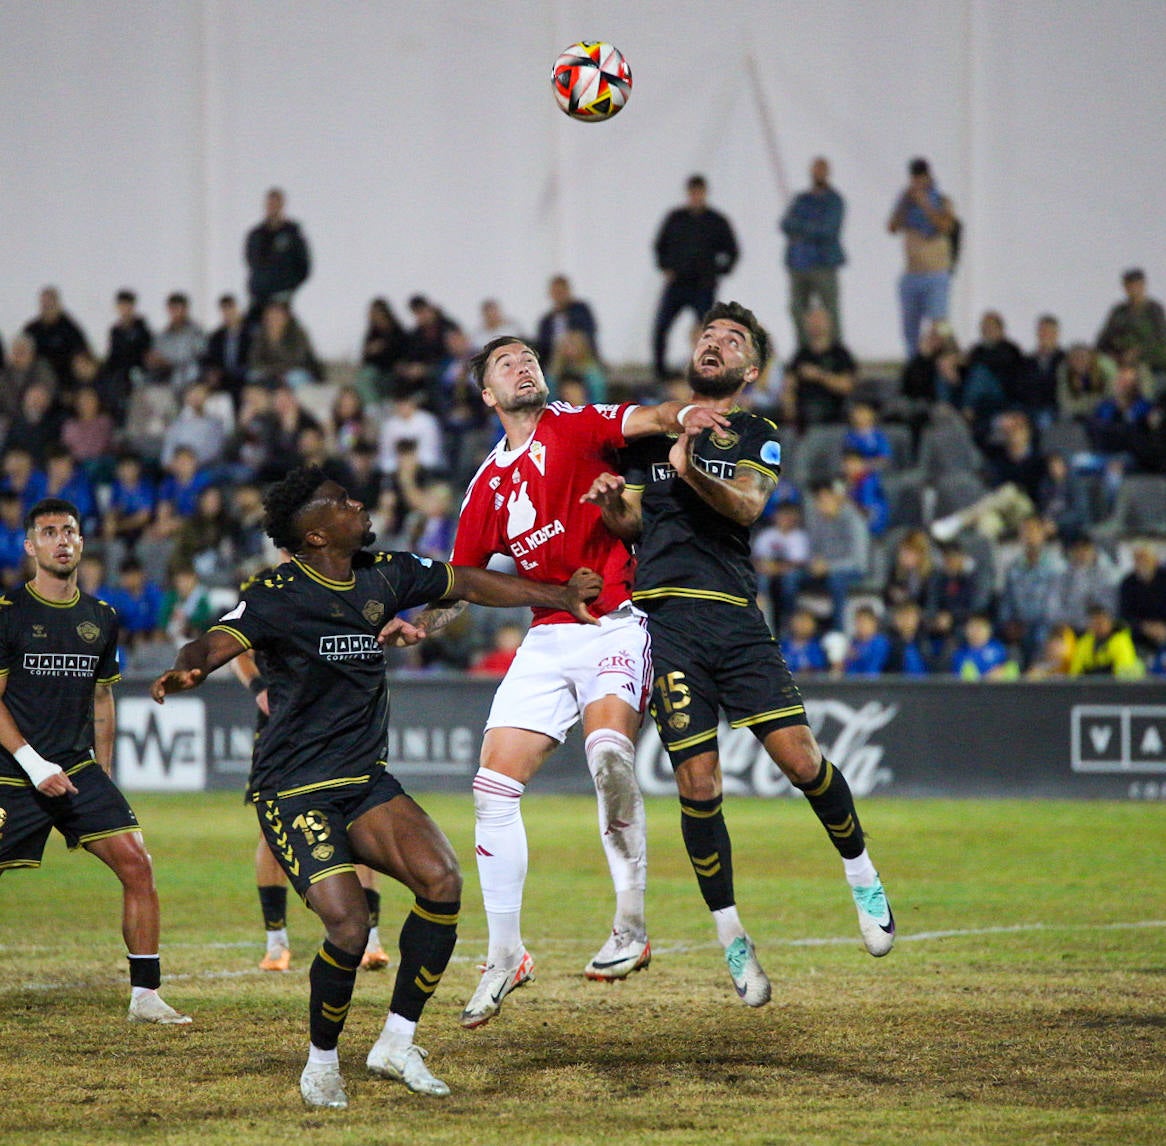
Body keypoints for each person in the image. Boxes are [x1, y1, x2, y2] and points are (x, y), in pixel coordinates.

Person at [150, 464, 602, 1107]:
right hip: (294, 786)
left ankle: (396, 1040)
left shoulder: (383, 572)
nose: (357, 504)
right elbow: (219, 638)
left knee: (442, 882)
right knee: (348, 926)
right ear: (312, 536)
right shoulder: (278, 592)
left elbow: (466, 580)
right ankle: (321, 1063)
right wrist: (188, 668)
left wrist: (556, 595)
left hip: (364, 779)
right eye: (339, 502)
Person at [585, 301, 895, 1010]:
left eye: (730, 340)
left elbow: (747, 507)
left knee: (801, 762)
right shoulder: (651, 435)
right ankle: (733, 940)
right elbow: (633, 521)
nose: (713, 343)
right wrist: (611, 505)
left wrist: (688, 466)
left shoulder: (755, 432)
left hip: (733, 619)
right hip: (665, 624)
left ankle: (861, 873)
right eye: (706, 335)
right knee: (698, 788)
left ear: (749, 370)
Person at [413, 335, 728, 1029]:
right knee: (491, 789)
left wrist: (689, 416)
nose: (523, 364)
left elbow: (648, 417)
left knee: (609, 753)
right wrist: (421, 625)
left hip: (617, 621)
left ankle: (631, 924)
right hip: (549, 635)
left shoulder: (576, 422)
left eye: (527, 356)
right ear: (489, 395)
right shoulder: (488, 482)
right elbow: (465, 580)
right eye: (506, 363)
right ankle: (504, 956)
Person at [0, 498, 190, 1024]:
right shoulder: (8, 614)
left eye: (70, 531)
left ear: (82, 542)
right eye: (49, 532)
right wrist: (32, 763)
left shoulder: (100, 618)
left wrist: (102, 774)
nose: (62, 540)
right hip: (12, 771)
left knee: (138, 865)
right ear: (31, 546)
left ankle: (146, 996)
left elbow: (102, 701)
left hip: (76, 770)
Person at [228, 640, 391, 973]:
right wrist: (260, 689)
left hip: (341, 725)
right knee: (272, 831)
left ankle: (370, 940)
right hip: (283, 727)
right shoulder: (272, 593)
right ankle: (276, 943)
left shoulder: (348, 597)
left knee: (357, 824)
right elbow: (237, 651)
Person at [652, 175, 739, 378]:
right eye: (693, 193)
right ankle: (660, 371)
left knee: (708, 332)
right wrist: (666, 267)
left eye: (699, 193)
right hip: (678, 284)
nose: (696, 197)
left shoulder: (716, 221)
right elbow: (660, 246)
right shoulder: (676, 218)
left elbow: (732, 251)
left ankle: (708, 369)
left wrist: (719, 271)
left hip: (703, 286)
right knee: (661, 326)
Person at [887, 158, 957, 359]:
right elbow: (892, 227)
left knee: (940, 322)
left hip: (936, 274)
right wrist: (904, 203)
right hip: (912, 274)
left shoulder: (942, 200)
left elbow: (945, 226)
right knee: (910, 328)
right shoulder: (906, 201)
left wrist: (925, 204)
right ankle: (913, 363)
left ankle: (949, 355)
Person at [779, 157, 846, 346]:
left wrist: (801, 228)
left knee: (830, 309)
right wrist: (808, 227)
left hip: (823, 264)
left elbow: (828, 230)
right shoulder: (802, 199)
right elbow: (785, 224)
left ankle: (834, 349)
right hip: (798, 264)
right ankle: (804, 349)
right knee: (797, 309)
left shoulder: (834, 201)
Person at [780, 305, 857, 428]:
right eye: (812, 320)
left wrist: (819, 375)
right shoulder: (800, 355)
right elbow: (789, 385)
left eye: (819, 320)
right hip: (803, 416)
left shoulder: (840, 354)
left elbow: (847, 385)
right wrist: (788, 407)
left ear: (829, 323)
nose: (815, 324)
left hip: (832, 417)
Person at [244, 187, 311, 321]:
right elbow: (249, 260)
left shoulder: (292, 234)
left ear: (282, 205)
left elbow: (304, 265)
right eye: (270, 204)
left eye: (275, 203)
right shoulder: (256, 235)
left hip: (281, 299)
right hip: (258, 298)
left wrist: (287, 286)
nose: (272, 207)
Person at [1096, 268, 1166, 376]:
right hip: (1120, 359)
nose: (1133, 290)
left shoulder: (1154, 309)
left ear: (1143, 286)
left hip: (1149, 360)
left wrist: (1137, 352)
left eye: (1136, 286)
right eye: (1129, 286)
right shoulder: (1118, 311)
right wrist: (1114, 355)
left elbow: (1159, 337)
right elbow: (1104, 338)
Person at [534, 275, 598, 364]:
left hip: (582, 360)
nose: (559, 296)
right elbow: (542, 346)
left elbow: (588, 334)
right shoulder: (546, 321)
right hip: (555, 363)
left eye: (561, 292)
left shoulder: (581, 311)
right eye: (556, 292)